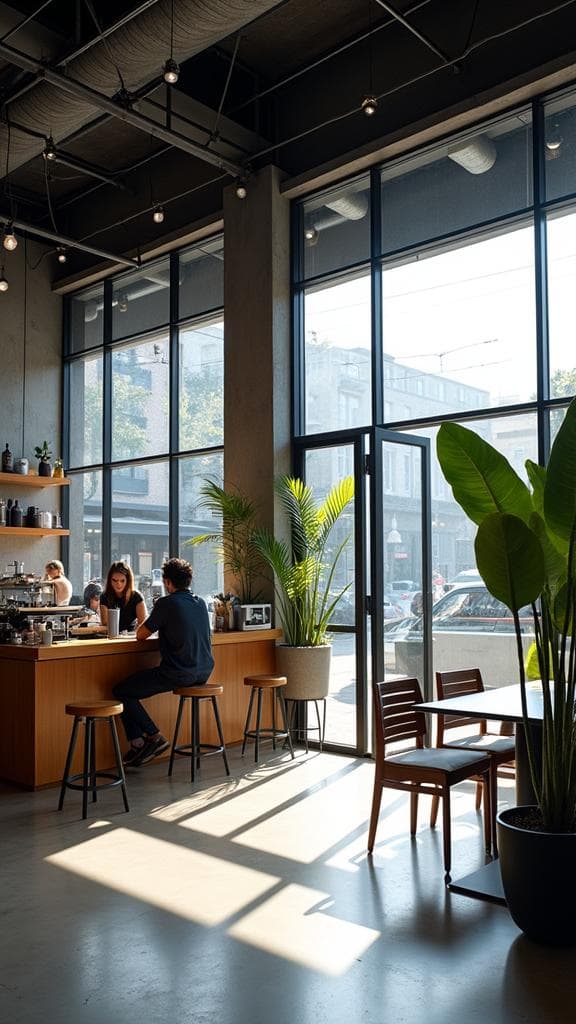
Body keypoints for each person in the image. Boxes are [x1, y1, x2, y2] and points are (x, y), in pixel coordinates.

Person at [112, 557, 214, 767]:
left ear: (167, 583)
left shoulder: (167, 603)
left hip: (178, 673)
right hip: (203, 672)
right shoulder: (201, 602)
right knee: (127, 690)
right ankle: (139, 745)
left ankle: (153, 736)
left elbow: (141, 635)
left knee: (122, 691)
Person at [100, 561, 147, 633]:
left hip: (132, 637)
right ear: (109, 580)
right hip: (110, 637)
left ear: (128, 581)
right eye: (114, 580)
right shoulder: (104, 596)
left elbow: (143, 624)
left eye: (122, 581)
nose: (118, 584)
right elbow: (105, 624)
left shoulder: (136, 597)